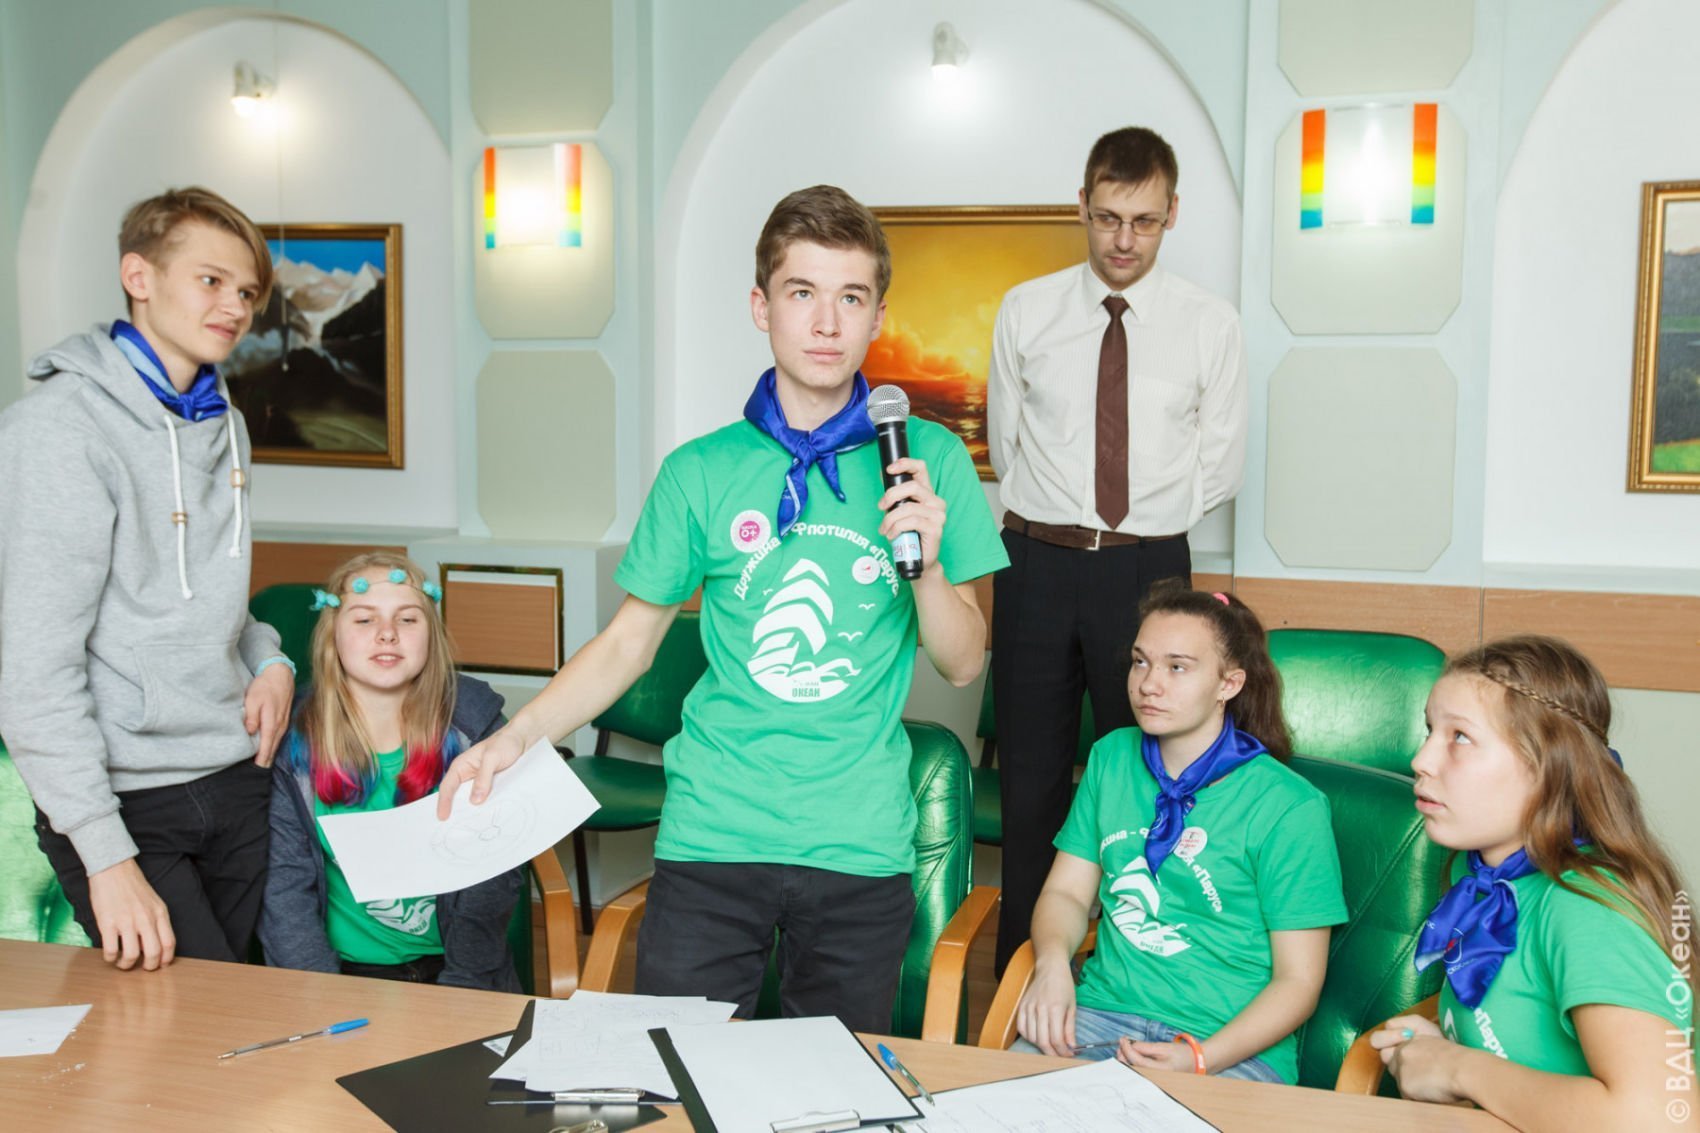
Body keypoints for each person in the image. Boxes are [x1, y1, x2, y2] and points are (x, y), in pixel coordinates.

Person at [436, 185, 1008, 1030]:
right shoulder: (699, 471)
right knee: (677, 1072)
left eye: (851, 298)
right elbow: (627, 644)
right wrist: (513, 738)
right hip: (712, 834)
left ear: (877, 317)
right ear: (761, 306)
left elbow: (962, 662)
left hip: (859, 842)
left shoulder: (927, 457)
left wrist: (922, 559)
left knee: (830, 1088)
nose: (826, 322)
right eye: (802, 292)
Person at [0, 187, 294, 971]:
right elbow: (32, 670)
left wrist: (270, 659)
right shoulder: (57, 430)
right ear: (139, 276)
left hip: (235, 774)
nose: (234, 307)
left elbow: (210, 600)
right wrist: (104, 856)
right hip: (125, 795)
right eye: (211, 280)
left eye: (247, 292)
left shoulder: (225, 424)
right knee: (188, 1019)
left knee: (241, 1012)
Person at [986, 126, 1249, 972]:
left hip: (1147, 571)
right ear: (1082, 207)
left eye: (1143, 220)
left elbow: (1221, 464)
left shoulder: (1210, 323)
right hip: (1034, 561)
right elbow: (1006, 441)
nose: (1124, 239)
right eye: (1107, 218)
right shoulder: (1026, 309)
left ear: (1173, 213)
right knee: (1030, 781)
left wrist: (1142, 529)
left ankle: (1140, 972)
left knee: (1150, 776)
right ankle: (1024, 977)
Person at [1015, 590, 1344, 1084]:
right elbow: (1066, 893)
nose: (1149, 684)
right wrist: (1052, 966)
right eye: (1140, 662)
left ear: (1229, 684)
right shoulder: (1111, 757)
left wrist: (1200, 1057)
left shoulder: (1290, 806)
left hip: (1228, 1046)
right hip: (1099, 1017)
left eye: (1177, 667)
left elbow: (1298, 982)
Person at [1371, 636, 1697, 1130]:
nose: (1421, 760)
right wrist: (1438, 1045)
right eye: (1431, 730)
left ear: (1549, 767)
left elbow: (1660, 1120)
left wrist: (1458, 1069)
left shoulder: (1588, 909)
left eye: (1460, 737)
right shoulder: (1478, 876)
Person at [259, 553, 522, 991]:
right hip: (343, 978)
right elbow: (284, 888)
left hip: (460, 975)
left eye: (407, 619)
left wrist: (464, 988)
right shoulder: (291, 740)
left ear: (431, 635)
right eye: (365, 620)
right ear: (333, 635)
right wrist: (320, 992)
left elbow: (493, 879)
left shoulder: (477, 728)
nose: (387, 634)